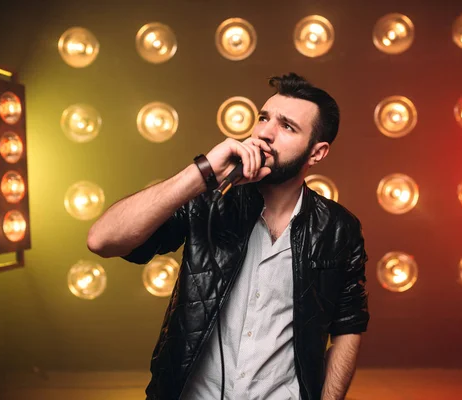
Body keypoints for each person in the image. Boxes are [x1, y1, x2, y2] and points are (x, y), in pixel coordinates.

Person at [87, 73, 370, 400]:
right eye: (263, 118)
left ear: (317, 152)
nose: (265, 132)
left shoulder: (339, 229)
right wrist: (203, 172)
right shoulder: (210, 200)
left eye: (287, 126)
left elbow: (348, 326)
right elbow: (102, 240)